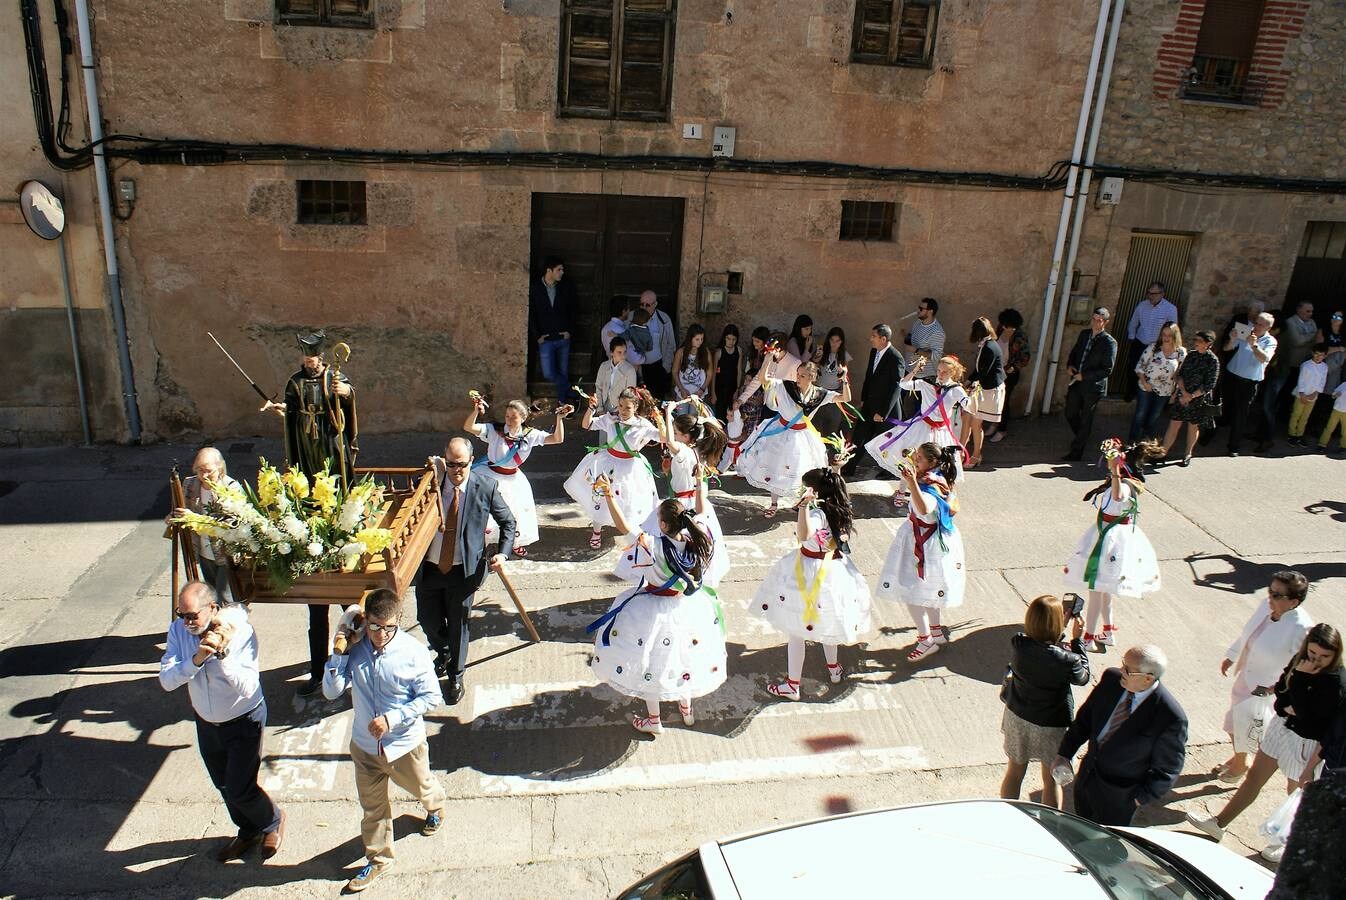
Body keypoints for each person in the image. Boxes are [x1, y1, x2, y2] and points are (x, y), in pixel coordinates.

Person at [1188, 624, 1346, 862]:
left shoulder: (1336, 681)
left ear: (1335, 654)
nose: (1317, 660)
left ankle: (1288, 843)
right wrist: (1291, 700)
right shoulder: (1299, 660)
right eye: (1312, 653)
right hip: (1281, 728)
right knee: (1254, 778)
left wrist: (1301, 681)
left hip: (1306, 742)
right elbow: (1281, 694)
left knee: (1296, 794)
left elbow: (1310, 717)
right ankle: (1218, 823)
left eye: (1325, 656)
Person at [323, 589, 445, 893]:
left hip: (404, 745)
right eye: (375, 626)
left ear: (399, 620)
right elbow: (331, 691)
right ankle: (379, 859)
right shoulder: (356, 647)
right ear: (366, 622)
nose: (381, 634)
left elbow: (433, 697)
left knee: (422, 786)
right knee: (373, 809)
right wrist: (338, 652)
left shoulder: (413, 653)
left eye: (388, 627)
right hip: (365, 748)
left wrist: (394, 718)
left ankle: (435, 806)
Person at [586, 476, 727, 735]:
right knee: (685, 658)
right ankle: (686, 709)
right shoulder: (697, 541)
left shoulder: (652, 545)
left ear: (662, 524)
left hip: (650, 610)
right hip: (686, 608)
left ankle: (654, 720)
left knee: (649, 665)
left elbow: (622, 526)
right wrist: (698, 485)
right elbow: (704, 512)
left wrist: (609, 495)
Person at [259, 329, 356, 697]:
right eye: (305, 356)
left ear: (322, 356)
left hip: (331, 445)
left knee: (351, 610)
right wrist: (287, 414)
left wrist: (345, 396)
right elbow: (289, 413)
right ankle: (318, 673)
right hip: (306, 445)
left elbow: (348, 404)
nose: (309, 361)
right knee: (316, 615)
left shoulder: (335, 378)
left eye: (313, 356)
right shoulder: (295, 383)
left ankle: (357, 666)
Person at [159, 582, 284, 862]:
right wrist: (196, 660)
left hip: (243, 720)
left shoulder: (240, 633)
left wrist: (223, 657)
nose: (187, 622)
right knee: (224, 785)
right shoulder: (178, 632)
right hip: (206, 722)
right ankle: (248, 830)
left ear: (212, 608)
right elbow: (167, 681)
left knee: (240, 786)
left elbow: (249, 687)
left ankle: (272, 820)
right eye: (182, 615)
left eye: (192, 615)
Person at [755, 468, 871, 698]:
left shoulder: (817, 512)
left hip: (810, 572)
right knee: (829, 624)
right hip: (836, 569)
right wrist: (836, 468)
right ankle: (834, 669)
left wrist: (803, 507)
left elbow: (804, 536)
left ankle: (792, 685)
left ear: (813, 490)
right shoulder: (839, 506)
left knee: (796, 632)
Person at [416, 437, 514, 705]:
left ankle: (456, 674)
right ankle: (444, 651)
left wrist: (503, 554)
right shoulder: (430, 485)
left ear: (471, 461)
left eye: (461, 465)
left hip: (464, 571)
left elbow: (508, 523)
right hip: (431, 567)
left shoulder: (486, 487)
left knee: (459, 625)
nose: (456, 471)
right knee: (427, 620)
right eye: (450, 465)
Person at [1053, 643, 1188, 827]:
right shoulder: (1111, 679)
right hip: (1085, 781)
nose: (1121, 670)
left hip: (1118, 801)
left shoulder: (1170, 717)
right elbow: (1085, 719)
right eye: (1122, 664)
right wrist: (1064, 754)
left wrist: (1138, 799)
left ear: (1148, 679)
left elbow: (1168, 770)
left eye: (1127, 670)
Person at [1211, 571, 1314, 785]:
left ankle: (1241, 764)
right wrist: (1231, 656)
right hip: (1247, 676)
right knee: (1239, 723)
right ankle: (1241, 756)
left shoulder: (1301, 628)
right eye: (1270, 590)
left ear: (1294, 601)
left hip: (1266, 686)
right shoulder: (1266, 607)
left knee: (1241, 723)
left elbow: (1303, 667)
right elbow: (1248, 633)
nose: (1270, 597)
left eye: (1277, 595)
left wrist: (1277, 687)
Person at [1063, 440, 1162, 652]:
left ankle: (1087, 639)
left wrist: (1115, 471)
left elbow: (1117, 496)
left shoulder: (1124, 486)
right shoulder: (1123, 482)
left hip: (1110, 542)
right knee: (1103, 590)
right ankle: (1107, 632)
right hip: (1107, 536)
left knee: (1096, 591)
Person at [875, 442, 966, 662]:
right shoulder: (939, 476)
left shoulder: (927, 486)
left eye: (919, 459)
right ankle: (935, 630)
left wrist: (911, 483)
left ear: (932, 462)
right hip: (935, 539)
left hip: (923, 541)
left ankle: (926, 640)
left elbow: (923, 509)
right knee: (930, 586)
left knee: (911, 590)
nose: (915, 460)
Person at [1000, 595, 1090, 810]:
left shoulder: (1019, 643)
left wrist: (1058, 629)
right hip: (1051, 725)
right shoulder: (1068, 659)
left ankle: (1006, 813)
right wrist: (1077, 641)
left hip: (1018, 716)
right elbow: (1083, 677)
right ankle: (1051, 824)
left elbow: (1041, 648)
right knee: (1051, 779)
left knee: (1015, 771)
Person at [735, 358, 849, 517]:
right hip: (781, 432)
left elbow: (845, 398)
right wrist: (768, 358)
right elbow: (763, 379)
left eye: (802, 376)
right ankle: (774, 503)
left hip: (802, 436)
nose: (798, 378)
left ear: (812, 377)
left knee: (803, 470)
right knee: (773, 468)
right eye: (798, 374)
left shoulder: (819, 394)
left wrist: (844, 379)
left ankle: (802, 500)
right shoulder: (785, 387)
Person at [464, 396, 572, 558]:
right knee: (485, 512)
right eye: (507, 416)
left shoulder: (530, 435)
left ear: (523, 418)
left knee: (516, 512)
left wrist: (559, 419)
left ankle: (515, 542)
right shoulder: (495, 430)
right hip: (490, 476)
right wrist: (475, 411)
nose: (508, 420)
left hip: (513, 479)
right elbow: (468, 427)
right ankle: (483, 543)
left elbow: (557, 439)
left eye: (513, 417)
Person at [564, 387, 661, 550]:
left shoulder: (643, 425)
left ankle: (631, 530)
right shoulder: (610, 418)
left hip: (631, 467)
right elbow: (587, 425)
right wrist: (591, 409)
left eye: (628, 407)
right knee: (601, 498)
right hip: (608, 462)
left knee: (630, 498)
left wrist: (660, 419)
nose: (623, 410)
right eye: (621, 405)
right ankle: (596, 531)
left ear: (636, 407)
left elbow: (663, 437)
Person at [865, 356, 968, 507]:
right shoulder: (927, 383)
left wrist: (972, 397)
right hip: (922, 428)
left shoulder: (956, 390)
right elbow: (904, 384)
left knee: (943, 464)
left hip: (942, 431)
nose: (940, 374)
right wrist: (914, 370)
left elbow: (969, 406)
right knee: (912, 460)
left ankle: (942, 493)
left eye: (945, 372)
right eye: (939, 370)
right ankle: (901, 491)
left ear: (953, 372)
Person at [655, 403, 730, 588]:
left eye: (677, 432)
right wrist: (668, 472)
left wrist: (668, 411)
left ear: (687, 436)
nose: (673, 435)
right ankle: (695, 573)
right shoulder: (698, 450)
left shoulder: (684, 451)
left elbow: (669, 442)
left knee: (672, 539)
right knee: (695, 540)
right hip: (695, 499)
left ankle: (673, 575)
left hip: (683, 503)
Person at [167, 447, 241, 601]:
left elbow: (231, 523)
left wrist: (194, 518)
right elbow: (181, 509)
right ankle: (214, 624)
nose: (204, 475)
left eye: (209, 471)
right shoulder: (190, 484)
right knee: (211, 595)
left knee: (224, 596)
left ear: (219, 467)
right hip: (202, 551)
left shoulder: (231, 487)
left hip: (226, 553)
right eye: (200, 470)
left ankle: (231, 624)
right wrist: (173, 517)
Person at [1256, 301, 1322, 449]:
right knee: (1267, 404)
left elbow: (1276, 357)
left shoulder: (1280, 338)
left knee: (1269, 406)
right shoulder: (1284, 332)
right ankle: (1259, 434)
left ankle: (1267, 439)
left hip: (1278, 373)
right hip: (1277, 372)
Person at [845, 323, 906, 476]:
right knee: (859, 436)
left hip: (885, 409)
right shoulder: (874, 352)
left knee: (884, 442)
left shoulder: (895, 358)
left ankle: (889, 471)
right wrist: (864, 398)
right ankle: (850, 466)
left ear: (883, 339)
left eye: (874, 336)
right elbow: (869, 377)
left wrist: (883, 412)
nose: (871, 339)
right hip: (869, 405)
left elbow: (896, 387)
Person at [1061, 308, 1118, 462]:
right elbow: (1075, 352)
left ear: (1105, 322)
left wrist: (1085, 376)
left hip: (1093, 386)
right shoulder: (1084, 334)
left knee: (1086, 418)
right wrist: (1070, 365)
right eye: (1093, 319)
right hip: (1077, 381)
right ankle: (1083, 436)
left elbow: (1107, 369)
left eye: (1099, 320)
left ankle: (1076, 452)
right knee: (1070, 413)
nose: (1095, 322)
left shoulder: (1109, 342)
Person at [1160, 330, 1220, 467]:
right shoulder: (1191, 355)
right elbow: (1180, 374)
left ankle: (1188, 453)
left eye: (1199, 341)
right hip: (1182, 395)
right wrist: (1183, 392)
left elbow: (1209, 384)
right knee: (1174, 424)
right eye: (1195, 340)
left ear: (1208, 343)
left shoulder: (1213, 361)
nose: (1195, 343)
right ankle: (1162, 453)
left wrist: (1191, 396)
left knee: (1193, 427)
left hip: (1198, 400)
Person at [1222, 311, 1277, 457]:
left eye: (1260, 324)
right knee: (1222, 406)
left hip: (1249, 382)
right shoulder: (1246, 332)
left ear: (1268, 328)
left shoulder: (1270, 341)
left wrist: (1255, 346)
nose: (1256, 326)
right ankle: (1208, 435)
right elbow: (1227, 348)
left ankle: (1233, 446)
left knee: (1241, 414)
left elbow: (1264, 359)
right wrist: (1232, 339)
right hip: (1232, 375)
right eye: (1256, 323)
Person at [528, 255, 574, 404]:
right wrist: (537, 336)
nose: (562, 272)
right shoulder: (535, 288)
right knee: (548, 373)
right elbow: (531, 313)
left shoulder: (565, 287)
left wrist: (569, 331)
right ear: (549, 270)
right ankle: (573, 391)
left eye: (562, 269)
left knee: (563, 372)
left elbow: (573, 310)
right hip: (545, 339)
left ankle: (562, 402)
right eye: (559, 269)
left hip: (563, 338)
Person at [1129, 322, 1185, 442]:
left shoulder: (1181, 353)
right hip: (1146, 387)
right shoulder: (1153, 348)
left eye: (1169, 335)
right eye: (1164, 334)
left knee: (1154, 418)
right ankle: (1132, 443)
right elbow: (1139, 366)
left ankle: (1146, 446)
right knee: (1140, 415)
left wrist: (1175, 393)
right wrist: (1144, 382)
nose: (1166, 338)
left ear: (1175, 336)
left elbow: (1180, 375)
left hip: (1165, 391)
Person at [960, 316, 1005, 468]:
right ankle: (963, 452)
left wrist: (969, 385)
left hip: (989, 389)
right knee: (969, 419)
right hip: (983, 388)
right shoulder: (987, 345)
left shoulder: (989, 348)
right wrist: (967, 382)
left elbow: (983, 372)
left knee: (976, 423)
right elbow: (979, 370)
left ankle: (976, 455)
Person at [1123, 282, 1180, 401]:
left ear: (1162, 294)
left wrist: (1167, 345)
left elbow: (1173, 329)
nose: (1151, 296)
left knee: (1153, 371)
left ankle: (1148, 396)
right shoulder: (1142, 305)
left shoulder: (1170, 309)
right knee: (1134, 368)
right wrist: (1132, 337)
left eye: (1154, 293)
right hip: (1140, 342)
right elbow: (1134, 322)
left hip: (1157, 347)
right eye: (1149, 293)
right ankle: (1130, 392)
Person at [987, 308, 1031, 444]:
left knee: (1004, 401)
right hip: (996, 372)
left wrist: (1013, 368)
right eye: (1003, 324)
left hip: (1009, 374)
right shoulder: (999, 330)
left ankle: (1002, 429)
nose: (1005, 327)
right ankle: (994, 424)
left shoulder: (1020, 336)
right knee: (994, 400)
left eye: (1008, 326)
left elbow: (1025, 357)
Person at [812, 327, 854, 449]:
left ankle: (829, 454)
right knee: (816, 425)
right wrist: (816, 359)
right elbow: (811, 369)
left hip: (835, 395)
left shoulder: (844, 356)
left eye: (838, 341)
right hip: (819, 393)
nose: (834, 343)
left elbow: (846, 377)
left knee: (832, 425)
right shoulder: (821, 352)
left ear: (842, 342)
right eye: (832, 340)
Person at [637, 290, 678, 400]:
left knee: (657, 402)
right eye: (642, 304)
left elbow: (671, 344)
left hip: (658, 368)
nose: (644, 307)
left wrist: (665, 367)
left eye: (648, 305)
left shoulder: (664, 319)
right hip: (638, 368)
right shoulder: (633, 317)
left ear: (655, 304)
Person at [1287, 344, 1329, 447]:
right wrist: (1302, 394)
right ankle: (1291, 435)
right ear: (1312, 353)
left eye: (1322, 355)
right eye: (1317, 354)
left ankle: (1299, 435)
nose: (1319, 357)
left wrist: (1315, 393)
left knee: (1305, 416)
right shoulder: (1306, 365)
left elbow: (1322, 381)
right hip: (1301, 395)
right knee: (1296, 414)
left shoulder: (1324, 367)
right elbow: (1301, 380)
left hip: (1313, 396)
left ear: (1325, 356)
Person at [737, 326, 773, 435]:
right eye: (753, 340)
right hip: (749, 389)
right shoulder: (752, 353)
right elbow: (747, 372)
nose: (754, 343)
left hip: (762, 392)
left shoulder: (769, 357)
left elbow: (765, 378)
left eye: (757, 341)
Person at [671, 324, 713, 410]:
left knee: (694, 418)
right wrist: (681, 389)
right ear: (690, 338)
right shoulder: (681, 352)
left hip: (698, 393)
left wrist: (702, 389)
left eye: (702, 339)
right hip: (683, 392)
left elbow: (709, 373)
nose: (700, 342)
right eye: (697, 339)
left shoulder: (705, 352)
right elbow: (674, 372)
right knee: (682, 418)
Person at [596, 336, 640, 416]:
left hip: (620, 410)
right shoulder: (604, 366)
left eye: (625, 352)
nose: (623, 355)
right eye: (619, 352)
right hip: (603, 408)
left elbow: (630, 394)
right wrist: (600, 408)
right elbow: (598, 387)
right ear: (611, 352)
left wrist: (621, 411)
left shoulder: (630, 370)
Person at [904, 298, 945, 382]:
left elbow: (936, 356)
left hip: (924, 377)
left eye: (921, 309)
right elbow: (912, 337)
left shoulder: (937, 332)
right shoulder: (918, 322)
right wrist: (906, 336)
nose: (918, 311)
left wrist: (916, 350)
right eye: (919, 308)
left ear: (930, 311)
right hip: (909, 371)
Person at [600, 297, 644, 372]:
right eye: (628, 308)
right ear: (624, 311)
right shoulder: (622, 332)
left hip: (611, 369)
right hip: (624, 373)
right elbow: (634, 358)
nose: (630, 311)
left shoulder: (605, 328)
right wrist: (642, 357)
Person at [710, 325, 743, 422]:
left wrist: (737, 389)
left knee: (731, 415)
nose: (731, 341)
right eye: (728, 338)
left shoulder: (739, 351)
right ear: (724, 338)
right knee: (720, 416)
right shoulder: (719, 352)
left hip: (732, 389)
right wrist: (713, 393)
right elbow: (714, 373)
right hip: (720, 390)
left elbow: (739, 370)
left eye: (733, 339)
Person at [1317, 378, 1346, 454]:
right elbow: (1333, 395)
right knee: (1329, 428)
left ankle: (1343, 447)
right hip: (1336, 410)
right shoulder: (1344, 384)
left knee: (1345, 431)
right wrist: (1336, 394)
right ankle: (1322, 444)